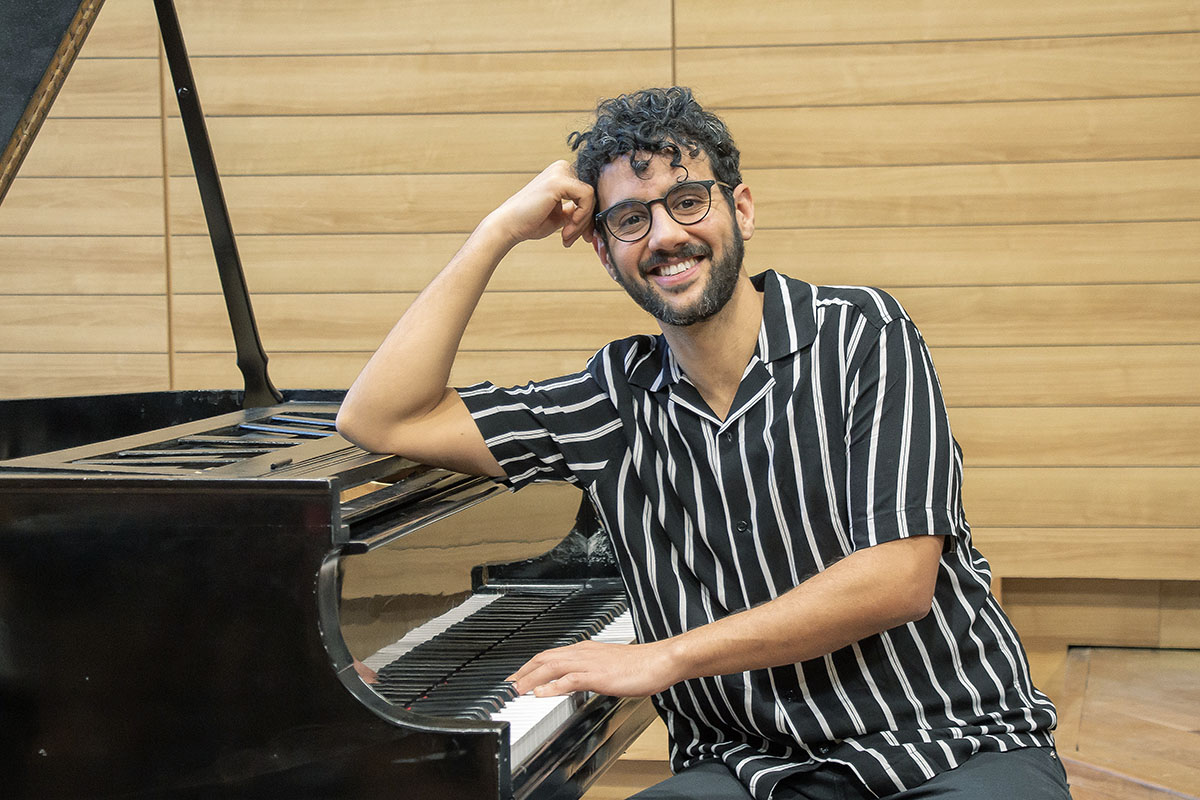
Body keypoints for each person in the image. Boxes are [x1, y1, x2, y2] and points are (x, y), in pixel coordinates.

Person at [336, 87, 1071, 800]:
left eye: (687, 201)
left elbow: (896, 580)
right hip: (749, 768)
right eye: (630, 220)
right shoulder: (608, 399)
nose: (664, 236)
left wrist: (663, 658)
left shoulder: (862, 335)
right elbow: (381, 419)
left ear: (740, 209)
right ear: (604, 252)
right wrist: (497, 231)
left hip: (949, 744)